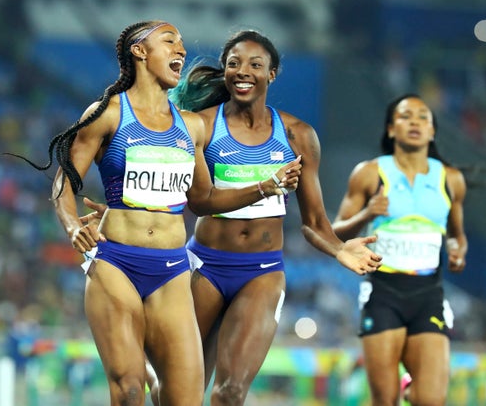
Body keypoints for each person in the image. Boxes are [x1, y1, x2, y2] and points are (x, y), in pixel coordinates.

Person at [40, 20, 316, 406]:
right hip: (116, 263)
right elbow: (63, 182)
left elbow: (203, 201)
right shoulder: (107, 113)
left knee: (181, 398)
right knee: (130, 389)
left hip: (173, 270)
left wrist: (263, 188)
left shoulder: (190, 127)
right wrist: (71, 225)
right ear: (139, 51)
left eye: (182, 44)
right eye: (169, 42)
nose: (181, 51)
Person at [161, 29, 383, 406]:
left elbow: (314, 223)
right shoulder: (201, 125)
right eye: (234, 64)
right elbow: (200, 202)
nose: (242, 71)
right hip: (204, 266)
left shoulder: (298, 136)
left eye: (255, 65)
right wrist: (265, 186)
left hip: (261, 271)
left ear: (272, 74)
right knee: (175, 393)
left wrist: (340, 249)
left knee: (230, 393)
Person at [331, 93, 467, 406]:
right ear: (391, 129)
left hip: (428, 293)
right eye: (406, 116)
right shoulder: (369, 173)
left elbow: (457, 236)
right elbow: (334, 232)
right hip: (383, 293)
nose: (415, 123)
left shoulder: (451, 179)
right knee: (385, 400)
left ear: (433, 131)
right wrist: (367, 215)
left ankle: (410, 387)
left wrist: (456, 250)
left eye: (423, 118)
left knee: (431, 399)